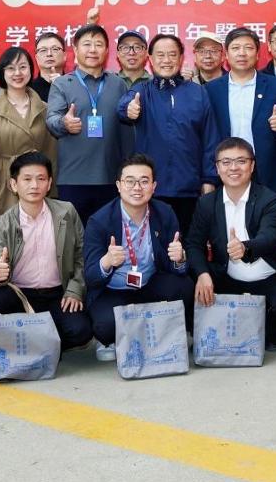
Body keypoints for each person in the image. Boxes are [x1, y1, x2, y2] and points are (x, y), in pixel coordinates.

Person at [187, 138, 276, 351]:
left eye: (241, 161)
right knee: (189, 289)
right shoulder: (207, 203)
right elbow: (194, 244)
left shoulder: (270, 199)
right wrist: (203, 275)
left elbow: (269, 237)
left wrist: (245, 247)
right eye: (226, 162)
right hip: (227, 278)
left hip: (269, 278)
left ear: (252, 166)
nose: (233, 168)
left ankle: (269, 331)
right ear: (217, 168)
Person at [82, 154, 193, 361]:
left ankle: (150, 333)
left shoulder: (164, 213)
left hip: (149, 284)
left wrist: (179, 258)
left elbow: (177, 266)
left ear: (154, 186)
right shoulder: (99, 221)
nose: (137, 188)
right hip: (114, 291)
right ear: (118, 185)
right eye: (130, 181)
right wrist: (107, 262)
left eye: (144, 181)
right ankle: (133, 335)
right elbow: (90, 276)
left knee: (184, 286)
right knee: (105, 326)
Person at [0, 152, 91, 351]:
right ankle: (43, 341)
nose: (34, 185)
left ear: (49, 184)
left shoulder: (66, 212)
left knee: (81, 331)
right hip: (21, 296)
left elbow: (81, 255)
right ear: (14, 184)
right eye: (27, 179)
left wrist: (74, 290)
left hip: (58, 293)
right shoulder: (1, 225)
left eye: (41, 179)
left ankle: (35, 341)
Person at [117, 34, 220, 235]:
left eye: (172, 55)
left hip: (190, 188)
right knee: (153, 244)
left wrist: (209, 180)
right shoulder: (141, 91)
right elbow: (123, 105)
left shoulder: (198, 93)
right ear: (150, 58)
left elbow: (210, 139)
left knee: (189, 243)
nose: (166, 60)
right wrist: (128, 109)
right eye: (160, 55)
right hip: (151, 188)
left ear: (181, 58)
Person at [46, 24, 127, 224]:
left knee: (108, 236)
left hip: (111, 178)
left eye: (98, 44)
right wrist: (64, 123)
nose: (93, 50)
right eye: (87, 44)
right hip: (73, 179)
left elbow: (126, 131)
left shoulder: (118, 84)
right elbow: (51, 119)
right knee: (72, 237)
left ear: (106, 51)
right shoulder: (62, 84)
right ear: (75, 49)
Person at [0, 46, 56, 230]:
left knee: (33, 230)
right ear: (2, 73)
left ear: (31, 70)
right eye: (10, 68)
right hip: (0, 178)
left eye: (23, 67)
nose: (17, 73)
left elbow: (50, 151)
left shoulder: (43, 107)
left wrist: (50, 184)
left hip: (33, 179)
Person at [205, 28, 276, 195]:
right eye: (236, 48)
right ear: (226, 54)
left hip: (265, 170)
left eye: (248, 48)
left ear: (258, 54)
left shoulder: (275, 85)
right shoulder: (211, 89)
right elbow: (207, 132)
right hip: (227, 168)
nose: (242, 53)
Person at [114, 30, 151, 157]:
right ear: (118, 54)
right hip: (114, 155)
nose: (131, 52)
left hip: (148, 156)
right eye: (125, 48)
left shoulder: (156, 84)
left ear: (146, 53)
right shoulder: (108, 83)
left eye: (137, 47)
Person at [29, 32, 67, 102]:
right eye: (43, 50)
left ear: (64, 56)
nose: (49, 54)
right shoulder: (28, 89)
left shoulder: (75, 85)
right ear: (36, 58)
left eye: (55, 49)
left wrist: (63, 86)